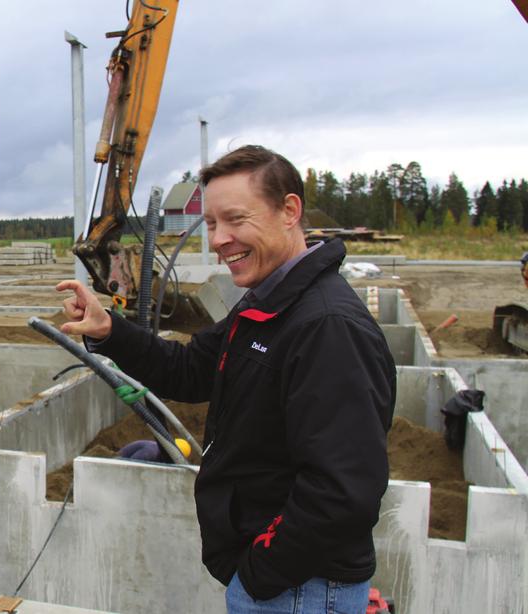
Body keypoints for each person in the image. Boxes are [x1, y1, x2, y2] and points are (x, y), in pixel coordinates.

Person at [57, 145, 396, 613]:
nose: (219, 239)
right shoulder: (269, 303)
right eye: (212, 223)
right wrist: (110, 330)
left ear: (289, 211)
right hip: (281, 584)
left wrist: (260, 572)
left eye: (235, 219)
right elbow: (190, 371)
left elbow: (343, 489)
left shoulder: (325, 325)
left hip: (302, 590)